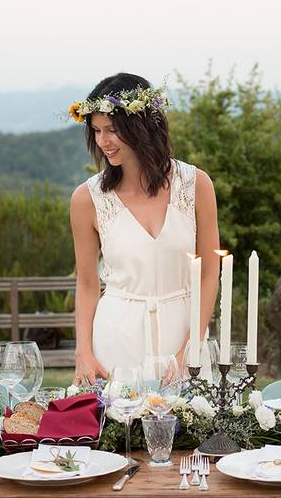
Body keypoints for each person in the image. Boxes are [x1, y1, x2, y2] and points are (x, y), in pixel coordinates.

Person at [68, 73, 219, 385]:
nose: (102, 141)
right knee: (121, 431)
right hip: (116, 340)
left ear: (143, 127)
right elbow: (86, 284)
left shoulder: (196, 185)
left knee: (194, 431)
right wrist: (83, 351)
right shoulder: (87, 199)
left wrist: (190, 348)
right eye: (96, 131)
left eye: (111, 130)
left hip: (185, 333)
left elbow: (208, 273)